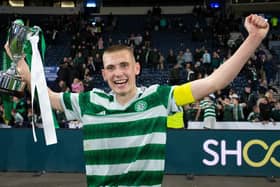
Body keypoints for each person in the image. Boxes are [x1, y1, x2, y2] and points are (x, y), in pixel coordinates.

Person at [14, 14, 268, 187]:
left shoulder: (158, 97)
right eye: (111, 68)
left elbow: (214, 82)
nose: (118, 73)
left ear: (136, 68)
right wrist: (17, 58)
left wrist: (254, 38)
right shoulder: (88, 101)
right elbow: (44, 97)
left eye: (124, 65)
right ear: (103, 74)